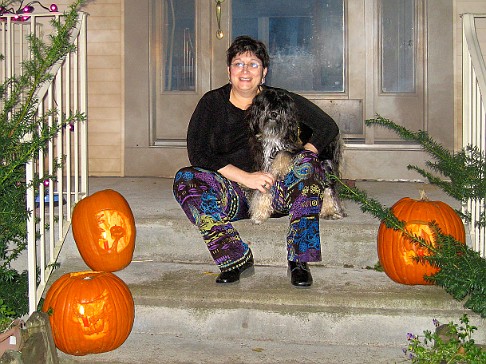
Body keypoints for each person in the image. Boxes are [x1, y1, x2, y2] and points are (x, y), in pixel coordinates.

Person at [173, 35, 339, 287]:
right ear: (229, 71)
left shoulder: (279, 100)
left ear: (264, 73)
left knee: (309, 163)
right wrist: (245, 177)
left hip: (278, 194)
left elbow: (327, 127)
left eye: (253, 64)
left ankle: (298, 260)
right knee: (185, 179)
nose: (245, 71)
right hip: (232, 195)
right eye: (239, 63)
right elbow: (198, 154)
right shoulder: (212, 103)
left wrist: (300, 156)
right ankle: (235, 258)